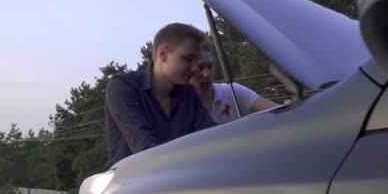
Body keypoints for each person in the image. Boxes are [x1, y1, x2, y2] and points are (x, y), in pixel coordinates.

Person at [104, 23, 216, 169]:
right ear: (162, 54)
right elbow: (147, 150)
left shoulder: (188, 93)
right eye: (188, 59)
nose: (195, 68)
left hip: (180, 180)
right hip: (131, 186)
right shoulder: (123, 87)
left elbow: (212, 137)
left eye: (196, 62)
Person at [189, 47, 279, 124]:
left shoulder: (231, 90)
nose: (207, 74)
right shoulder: (179, 106)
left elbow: (277, 111)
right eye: (200, 68)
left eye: (210, 66)